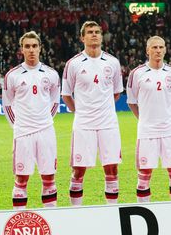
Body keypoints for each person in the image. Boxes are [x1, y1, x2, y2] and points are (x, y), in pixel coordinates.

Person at [62, 21, 123, 205]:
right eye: (90, 32)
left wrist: (103, 109)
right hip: (84, 124)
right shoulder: (73, 63)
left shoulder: (113, 62)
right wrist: (80, 112)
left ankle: (112, 210)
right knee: (79, 170)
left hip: (108, 124)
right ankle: (76, 213)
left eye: (97, 32)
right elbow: (66, 95)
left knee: (111, 169)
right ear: (82, 37)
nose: (94, 35)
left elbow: (117, 92)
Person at [2, 31, 60, 209]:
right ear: (22, 49)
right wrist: (19, 126)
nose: (31, 50)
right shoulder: (12, 75)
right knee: (21, 178)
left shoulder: (51, 74)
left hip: (46, 131)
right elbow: (7, 106)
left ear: (40, 48)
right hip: (23, 132)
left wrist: (43, 122)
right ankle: (20, 219)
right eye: (27, 46)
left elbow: (55, 102)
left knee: (49, 177)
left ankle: (52, 220)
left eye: (34, 46)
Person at [126, 36, 171, 202]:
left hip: (169, 131)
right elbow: (132, 102)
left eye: (161, 47)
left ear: (165, 50)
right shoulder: (136, 74)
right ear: (147, 50)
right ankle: (144, 211)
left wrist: (163, 117)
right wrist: (145, 119)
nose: (158, 50)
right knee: (144, 176)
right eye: (154, 47)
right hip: (147, 132)